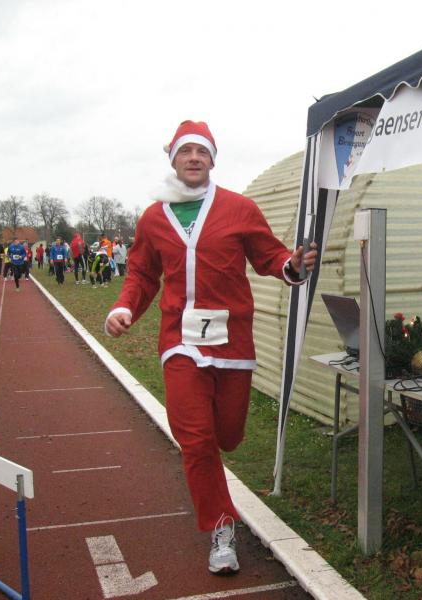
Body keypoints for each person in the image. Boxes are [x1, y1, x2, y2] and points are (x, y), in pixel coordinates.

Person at [104, 120, 317, 575]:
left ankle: (216, 453)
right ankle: (221, 527)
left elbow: (270, 256)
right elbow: (141, 274)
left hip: (232, 339)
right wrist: (123, 308)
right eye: (186, 151)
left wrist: (292, 265)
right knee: (196, 438)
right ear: (173, 159)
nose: (194, 158)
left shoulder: (239, 208)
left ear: (213, 160)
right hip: (180, 341)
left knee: (228, 435)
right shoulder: (154, 217)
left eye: (202, 151)